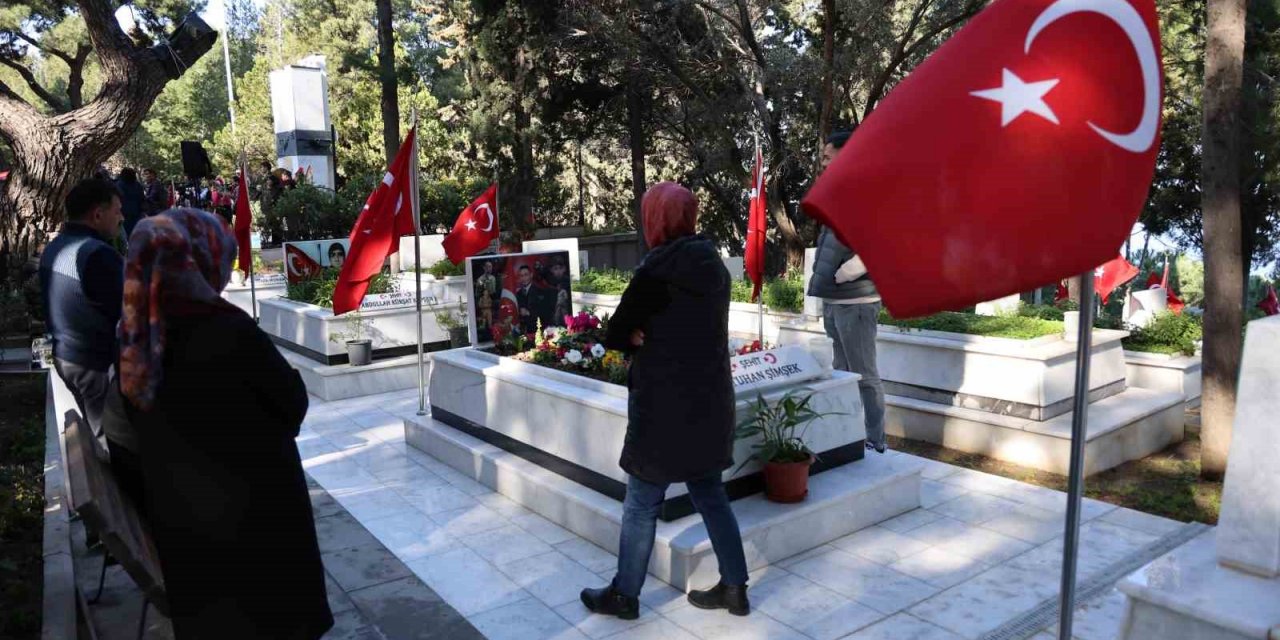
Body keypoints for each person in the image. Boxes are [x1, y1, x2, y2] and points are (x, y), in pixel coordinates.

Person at [119, 209, 333, 639]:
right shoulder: (225, 328)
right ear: (198, 260)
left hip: (187, 540)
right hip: (259, 534)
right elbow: (291, 403)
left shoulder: (134, 336)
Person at [581, 182, 750, 620]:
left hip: (662, 410)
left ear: (655, 219)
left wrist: (639, 334)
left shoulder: (656, 271)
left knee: (640, 504)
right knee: (711, 494)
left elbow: (616, 332)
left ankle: (624, 595)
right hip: (710, 403)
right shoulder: (715, 267)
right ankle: (735, 587)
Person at [809, 129, 886, 453]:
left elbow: (879, 242)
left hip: (855, 301)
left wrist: (842, 275)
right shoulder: (842, 190)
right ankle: (850, 435)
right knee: (841, 373)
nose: (823, 162)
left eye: (828, 155)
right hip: (836, 300)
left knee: (864, 375)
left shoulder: (864, 190)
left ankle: (875, 439)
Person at [39, 178, 124, 444]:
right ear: (97, 215)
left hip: (68, 357)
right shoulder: (97, 254)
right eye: (117, 210)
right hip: (94, 364)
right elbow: (129, 312)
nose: (122, 217)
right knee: (114, 443)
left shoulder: (55, 246)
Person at [115, 168, 145, 237]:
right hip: (136, 213)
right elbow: (142, 198)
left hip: (123, 213)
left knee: (125, 234)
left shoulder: (119, 184)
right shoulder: (138, 185)